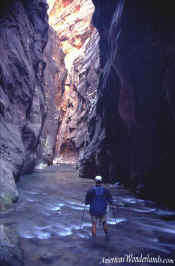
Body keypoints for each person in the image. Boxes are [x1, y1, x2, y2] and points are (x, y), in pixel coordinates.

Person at [85, 176, 113, 240]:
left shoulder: (90, 190)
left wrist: (88, 202)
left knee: (94, 224)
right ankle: (107, 236)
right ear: (101, 181)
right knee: (104, 222)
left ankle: (94, 239)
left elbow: (86, 202)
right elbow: (110, 201)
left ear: (95, 181)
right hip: (103, 210)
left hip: (93, 210)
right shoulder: (106, 190)